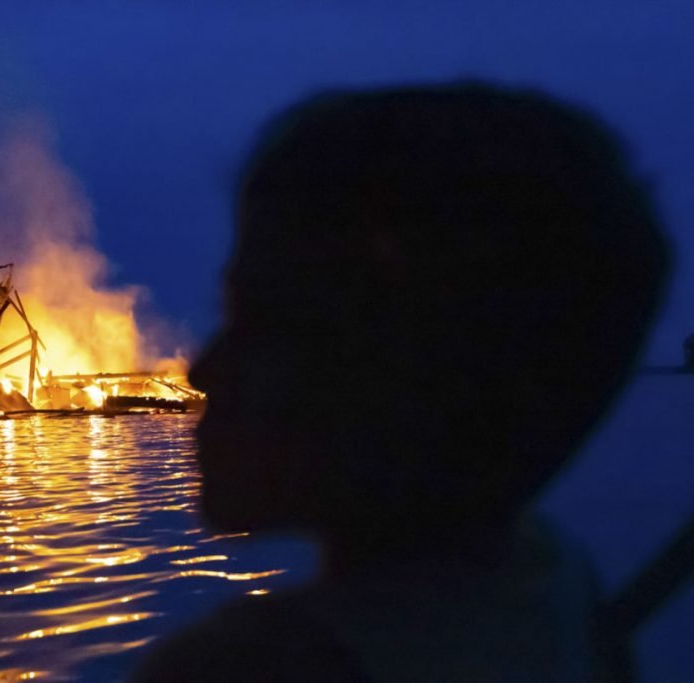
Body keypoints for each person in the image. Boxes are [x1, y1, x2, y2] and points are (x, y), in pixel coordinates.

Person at [133, 83, 670, 681]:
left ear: (421, 373)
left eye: (265, 322)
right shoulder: (556, 580)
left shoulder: (254, 665)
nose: (204, 370)